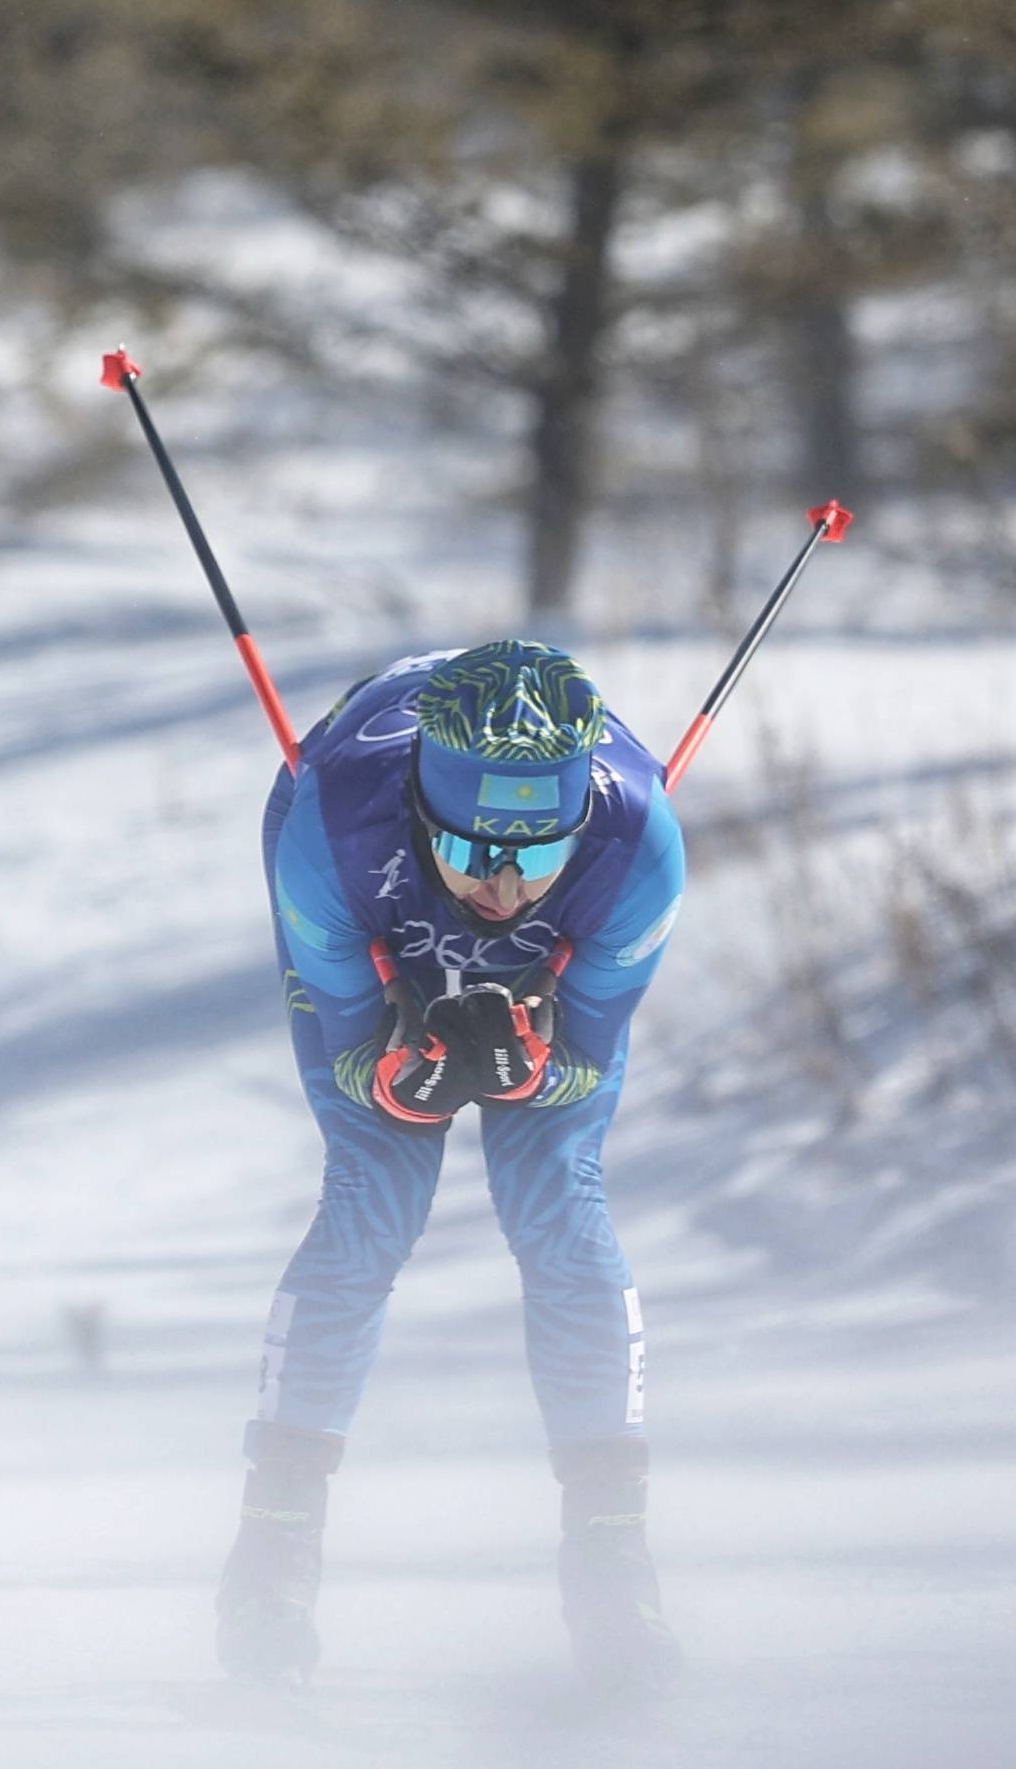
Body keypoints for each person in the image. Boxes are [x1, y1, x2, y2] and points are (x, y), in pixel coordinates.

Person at [219, 638, 687, 1698]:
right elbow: (351, 1051)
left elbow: (586, 1062)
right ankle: (273, 1551)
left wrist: (528, 1070)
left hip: (539, 951)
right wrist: (401, 1075)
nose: (507, 887)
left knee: (559, 1201)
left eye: (537, 855)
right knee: (374, 1198)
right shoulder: (330, 827)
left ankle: (614, 1561)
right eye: (475, 854)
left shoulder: (640, 848)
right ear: (428, 815)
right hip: (369, 897)